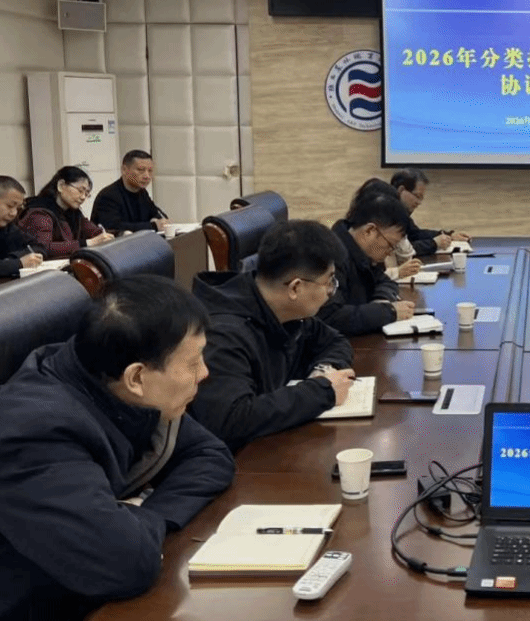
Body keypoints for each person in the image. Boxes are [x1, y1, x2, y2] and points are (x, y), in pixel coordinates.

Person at [0, 277, 235, 621]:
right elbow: (125, 564)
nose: (205, 374)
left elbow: (210, 456)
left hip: (59, 599)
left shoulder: (107, 377)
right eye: (193, 363)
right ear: (137, 376)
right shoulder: (34, 433)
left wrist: (145, 515)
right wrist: (132, 525)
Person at [189, 219, 356, 451]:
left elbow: (335, 341)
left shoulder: (284, 308)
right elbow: (230, 420)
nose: (331, 292)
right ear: (295, 288)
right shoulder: (223, 333)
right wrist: (321, 391)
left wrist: (323, 370)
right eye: (329, 282)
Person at [318, 189, 416, 337]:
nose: (390, 252)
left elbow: (385, 281)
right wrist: (388, 312)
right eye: (390, 245)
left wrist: (382, 300)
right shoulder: (331, 257)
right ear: (369, 231)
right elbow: (331, 318)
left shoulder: (363, 253)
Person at [18, 165, 117, 259]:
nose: (83, 197)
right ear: (61, 186)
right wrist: (87, 243)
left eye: (87, 193)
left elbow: (93, 231)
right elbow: (44, 247)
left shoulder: (73, 212)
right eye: (80, 190)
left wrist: (116, 235)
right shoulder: (39, 212)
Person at [390, 168, 470, 256]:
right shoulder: (386, 211)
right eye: (417, 196)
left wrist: (448, 236)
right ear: (401, 190)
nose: (419, 202)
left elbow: (415, 234)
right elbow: (400, 250)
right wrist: (434, 243)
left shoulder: (401, 212)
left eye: (421, 198)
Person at [91, 150, 168, 234]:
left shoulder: (142, 192)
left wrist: (160, 222)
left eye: (150, 171)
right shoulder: (108, 196)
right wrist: (153, 225)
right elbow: (113, 227)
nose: (147, 176)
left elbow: (156, 215)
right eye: (141, 170)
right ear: (124, 170)